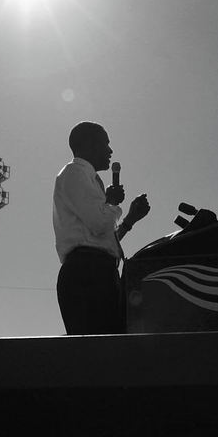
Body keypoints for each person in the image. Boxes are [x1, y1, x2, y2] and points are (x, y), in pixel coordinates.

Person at [52, 122, 150, 334]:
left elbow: (99, 239)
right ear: (88, 144)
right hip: (87, 274)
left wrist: (130, 220)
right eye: (105, 143)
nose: (110, 151)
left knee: (109, 349)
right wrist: (112, 204)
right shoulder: (74, 172)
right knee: (100, 352)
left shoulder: (89, 179)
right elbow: (98, 223)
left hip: (98, 271)